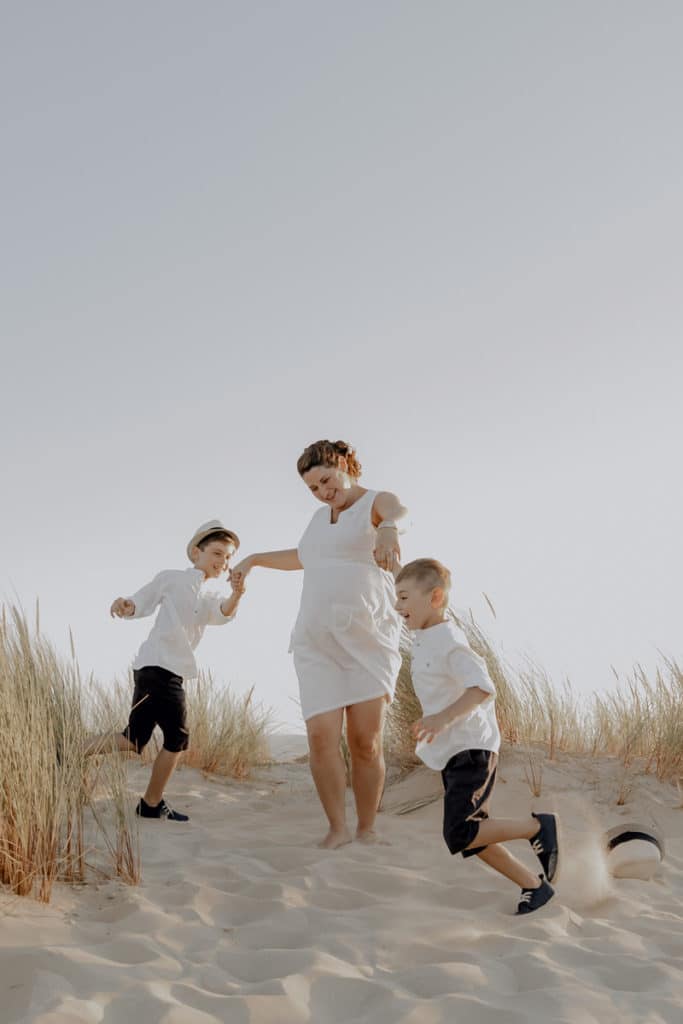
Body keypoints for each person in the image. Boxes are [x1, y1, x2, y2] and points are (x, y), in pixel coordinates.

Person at [231, 439, 405, 848]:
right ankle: (337, 829)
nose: (324, 492)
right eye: (313, 488)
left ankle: (367, 828)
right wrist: (253, 558)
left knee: (365, 742)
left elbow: (399, 513)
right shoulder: (317, 519)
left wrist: (389, 529)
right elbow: (306, 556)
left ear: (345, 465)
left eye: (327, 480)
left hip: (367, 640)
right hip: (316, 642)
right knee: (320, 738)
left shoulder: (377, 503)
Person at [394, 558, 561, 914]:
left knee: (461, 832)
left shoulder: (449, 641)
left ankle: (536, 827)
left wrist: (441, 718)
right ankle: (534, 886)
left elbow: (483, 688)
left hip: (471, 747)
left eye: (405, 598)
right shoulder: (426, 636)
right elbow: (412, 583)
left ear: (436, 598)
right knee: (471, 836)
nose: (398, 606)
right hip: (455, 750)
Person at [85, 520, 244, 822]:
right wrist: (125, 605)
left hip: (161, 671)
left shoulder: (211, 595)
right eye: (218, 553)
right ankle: (151, 804)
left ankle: (67, 751)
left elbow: (223, 615)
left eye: (228, 557)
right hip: (159, 668)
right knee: (177, 738)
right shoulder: (172, 578)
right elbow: (140, 602)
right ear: (197, 552)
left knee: (133, 739)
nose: (224, 562)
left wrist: (237, 594)